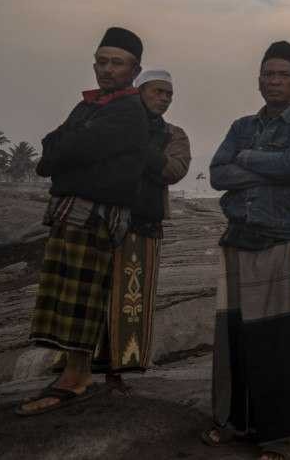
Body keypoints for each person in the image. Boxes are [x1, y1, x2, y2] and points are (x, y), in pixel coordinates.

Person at [203, 41, 290, 460]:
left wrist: (250, 161)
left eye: (283, 75)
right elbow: (218, 174)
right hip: (238, 238)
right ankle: (236, 421)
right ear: (258, 79)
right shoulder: (241, 126)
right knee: (235, 336)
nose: (275, 81)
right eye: (268, 74)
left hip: (282, 237)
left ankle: (276, 434)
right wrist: (272, 167)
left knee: (279, 340)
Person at [17, 27, 149, 416]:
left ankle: (77, 378)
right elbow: (49, 152)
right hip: (73, 217)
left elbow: (70, 152)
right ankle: (72, 372)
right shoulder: (88, 106)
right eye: (101, 61)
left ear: (134, 69)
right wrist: (65, 160)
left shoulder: (127, 110)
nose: (107, 70)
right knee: (66, 295)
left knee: (82, 299)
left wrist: (65, 164)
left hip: (95, 220)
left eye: (117, 63)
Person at [93, 69, 191, 390]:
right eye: (158, 91)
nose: (164, 98)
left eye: (169, 94)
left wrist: (135, 146)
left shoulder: (175, 134)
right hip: (101, 220)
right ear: (139, 90)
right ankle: (79, 368)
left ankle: (116, 372)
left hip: (144, 225)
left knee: (130, 299)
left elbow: (174, 170)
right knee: (94, 294)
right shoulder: (113, 120)